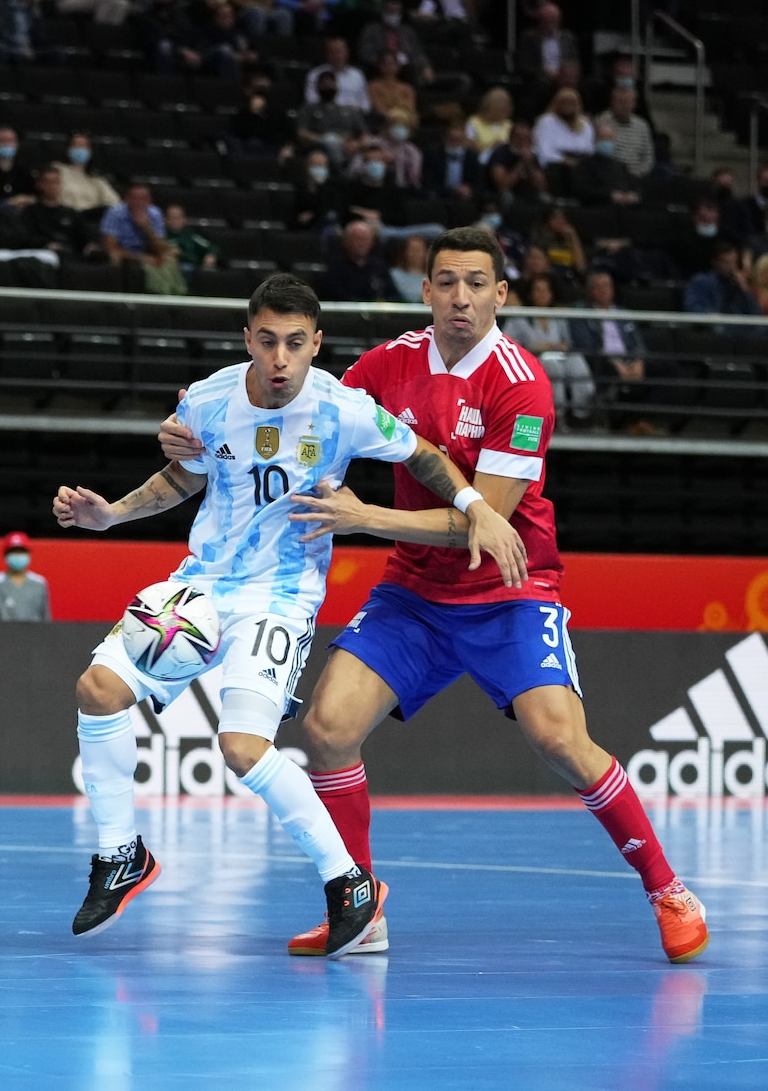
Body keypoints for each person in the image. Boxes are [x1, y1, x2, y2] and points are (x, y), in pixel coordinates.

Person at [157, 226, 710, 965]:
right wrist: (195, 423)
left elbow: (486, 524)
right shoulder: (389, 363)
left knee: (559, 739)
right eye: (446, 281)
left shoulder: (522, 383)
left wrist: (365, 517)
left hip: (510, 589)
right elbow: (300, 411)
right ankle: (359, 903)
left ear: (501, 294)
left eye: (477, 283)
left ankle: (667, 887)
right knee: (325, 729)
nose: (460, 296)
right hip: (414, 593)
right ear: (424, 291)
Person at [55, 271, 523, 949]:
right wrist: (113, 513)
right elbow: (185, 475)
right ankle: (121, 854)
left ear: (316, 344)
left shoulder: (345, 407)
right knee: (96, 688)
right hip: (204, 582)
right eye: (268, 341)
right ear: (247, 338)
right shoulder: (209, 399)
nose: (280, 358)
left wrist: (475, 506)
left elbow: (422, 455)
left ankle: (349, 884)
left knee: (244, 747)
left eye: (295, 344)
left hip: (281, 593)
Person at [571, 270, 662, 434]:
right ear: (590, 291)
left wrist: (638, 361)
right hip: (600, 360)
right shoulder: (581, 312)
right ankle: (618, 422)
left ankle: (635, 420)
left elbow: (638, 343)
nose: (604, 290)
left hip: (629, 360)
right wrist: (615, 363)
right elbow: (585, 344)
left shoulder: (623, 313)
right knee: (608, 369)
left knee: (668, 370)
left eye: (607, 285)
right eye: (599, 287)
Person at [503, 274, 592, 427]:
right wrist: (537, 348)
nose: (542, 294)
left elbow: (567, 341)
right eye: (538, 290)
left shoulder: (558, 316)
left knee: (577, 361)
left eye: (546, 290)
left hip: (558, 355)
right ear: (531, 294)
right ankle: (558, 417)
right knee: (553, 366)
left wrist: (563, 346)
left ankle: (581, 415)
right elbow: (505, 344)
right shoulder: (520, 317)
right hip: (532, 359)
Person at [100, 182, 184, 294]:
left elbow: (161, 248)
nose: (139, 203)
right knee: (114, 256)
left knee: (169, 257)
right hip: (124, 252)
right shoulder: (115, 213)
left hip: (147, 252)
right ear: (127, 199)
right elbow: (110, 246)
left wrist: (147, 228)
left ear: (150, 200)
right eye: (135, 198)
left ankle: (174, 294)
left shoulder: (155, 213)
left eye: (143, 199)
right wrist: (140, 258)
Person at [24, 167, 99, 260]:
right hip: (45, 256)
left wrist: (90, 245)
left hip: (71, 253)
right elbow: (26, 238)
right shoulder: (30, 212)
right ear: (39, 184)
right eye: (47, 182)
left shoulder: (70, 212)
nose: (52, 186)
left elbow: (84, 235)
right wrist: (46, 245)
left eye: (55, 182)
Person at [298, 70, 369, 165]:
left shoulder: (349, 110)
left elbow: (365, 136)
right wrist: (325, 139)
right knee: (331, 139)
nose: (328, 86)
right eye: (324, 84)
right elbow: (302, 132)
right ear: (317, 86)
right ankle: (339, 168)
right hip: (320, 146)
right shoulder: (309, 108)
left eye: (331, 83)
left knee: (375, 152)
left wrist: (356, 144)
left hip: (350, 147)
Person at [0, 532, 50, 621]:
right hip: (2, 633)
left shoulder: (40, 584)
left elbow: (46, 619)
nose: (18, 556)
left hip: (33, 634)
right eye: (14, 552)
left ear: (28, 554)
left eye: (21, 552)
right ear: (5, 555)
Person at [356, 0, 431, 85]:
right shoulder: (371, 30)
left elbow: (418, 52)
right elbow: (364, 53)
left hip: (405, 65)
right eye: (390, 11)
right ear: (383, 11)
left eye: (396, 12)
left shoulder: (408, 31)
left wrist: (426, 66)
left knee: (412, 70)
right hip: (379, 65)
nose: (393, 14)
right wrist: (385, 62)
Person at [321, 219, 397, 302]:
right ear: (346, 241)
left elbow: (392, 294)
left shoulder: (379, 266)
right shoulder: (335, 267)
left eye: (365, 239)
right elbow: (336, 295)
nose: (361, 243)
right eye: (357, 239)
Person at [683, 241, 758, 319]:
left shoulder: (737, 285)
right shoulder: (701, 282)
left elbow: (755, 313)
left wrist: (745, 289)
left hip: (735, 327)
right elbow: (693, 307)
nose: (731, 266)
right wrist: (712, 316)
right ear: (715, 262)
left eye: (734, 262)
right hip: (710, 326)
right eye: (727, 262)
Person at [573, 123, 641, 207]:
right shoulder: (585, 164)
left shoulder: (621, 166)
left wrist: (632, 195)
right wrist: (609, 195)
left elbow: (634, 187)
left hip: (622, 210)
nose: (607, 141)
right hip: (597, 208)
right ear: (595, 140)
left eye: (610, 138)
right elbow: (582, 190)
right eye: (603, 138)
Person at [136, 0, 202, 75]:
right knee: (165, 46)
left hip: (186, 51)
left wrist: (196, 52)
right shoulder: (144, 17)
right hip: (156, 53)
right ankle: (166, 84)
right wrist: (180, 50)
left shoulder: (183, 16)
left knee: (221, 50)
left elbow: (192, 35)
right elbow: (150, 40)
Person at [226, 75, 293, 159]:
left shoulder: (278, 113)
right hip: (248, 148)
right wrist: (254, 114)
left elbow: (288, 134)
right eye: (257, 89)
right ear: (247, 90)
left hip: (274, 148)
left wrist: (288, 147)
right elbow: (238, 134)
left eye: (264, 90)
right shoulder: (241, 113)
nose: (260, 94)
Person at [594, 85, 654, 180]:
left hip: (636, 177)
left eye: (628, 102)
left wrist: (637, 174)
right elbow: (597, 151)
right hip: (609, 176)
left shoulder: (642, 125)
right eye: (621, 102)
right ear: (612, 102)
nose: (625, 106)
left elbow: (648, 156)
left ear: (634, 104)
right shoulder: (602, 120)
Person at [52, 133, 121, 214]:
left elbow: (115, 203)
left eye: (84, 146)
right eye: (76, 145)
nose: (80, 149)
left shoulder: (97, 179)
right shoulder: (56, 169)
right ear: (68, 149)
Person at [486, 122, 546, 209]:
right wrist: (521, 162)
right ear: (511, 138)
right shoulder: (501, 153)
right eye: (519, 138)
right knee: (507, 198)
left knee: (544, 198)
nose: (523, 142)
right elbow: (503, 185)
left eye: (527, 139)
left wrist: (529, 164)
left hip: (527, 194)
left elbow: (541, 185)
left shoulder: (533, 156)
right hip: (504, 194)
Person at [0, 0, 58, 64]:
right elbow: (3, 33)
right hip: (10, 46)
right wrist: (19, 47)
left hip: (31, 48)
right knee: (6, 52)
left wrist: (36, 6)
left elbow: (42, 35)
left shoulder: (30, 8)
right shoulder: (0, 6)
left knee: (57, 53)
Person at [516, 2, 578, 84]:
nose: (550, 24)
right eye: (547, 20)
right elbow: (525, 66)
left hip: (564, 80)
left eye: (553, 19)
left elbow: (575, 62)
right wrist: (545, 72)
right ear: (540, 21)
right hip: (540, 80)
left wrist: (565, 73)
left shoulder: (568, 37)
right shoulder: (529, 38)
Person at [421, 121, 483, 200]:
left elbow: (478, 182)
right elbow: (428, 182)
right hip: (439, 197)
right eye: (452, 140)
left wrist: (469, 189)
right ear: (445, 137)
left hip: (464, 199)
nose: (455, 144)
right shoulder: (433, 154)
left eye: (459, 140)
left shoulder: (471, 156)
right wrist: (451, 191)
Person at [532, 88, 592, 169]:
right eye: (564, 103)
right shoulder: (547, 122)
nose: (568, 106)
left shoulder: (585, 123)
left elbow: (589, 149)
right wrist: (563, 160)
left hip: (580, 161)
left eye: (571, 103)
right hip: (556, 163)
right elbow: (543, 151)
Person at [304, 38, 371, 112]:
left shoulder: (357, 75)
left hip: (352, 117)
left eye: (339, 51)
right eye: (332, 52)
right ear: (326, 54)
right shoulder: (315, 74)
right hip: (326, 115)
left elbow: (365, 103)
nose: (336, 56)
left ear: (347, 53)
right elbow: (311, 100)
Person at [197, 1, 258, 79]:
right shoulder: (207, 32)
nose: (226, 20)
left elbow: (248, 47)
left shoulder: (237, 34)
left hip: (240, 66)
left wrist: (252, 55)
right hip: (215, 65)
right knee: (225, 50)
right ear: (215, 18)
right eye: (223, 17)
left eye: (229, 17)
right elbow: (203, 54)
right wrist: (235, 56)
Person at [0, 125, 37, 205]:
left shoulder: (26, 170)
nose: (5, 144)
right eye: (1, 140)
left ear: (16, 143)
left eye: (9, 140)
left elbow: (34, 195)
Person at [291, 149, 344, 231]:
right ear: (308, 167)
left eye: (323, 165)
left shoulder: (333, 186)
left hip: (326, 222)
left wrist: (321, 187)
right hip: (306, 224)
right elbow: (299, 208)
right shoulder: (301, 186)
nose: (320, 169)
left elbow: (331, 206)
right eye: (316, 165)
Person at [163, 203, 219, 274]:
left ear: (184, 219)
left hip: (191, 268)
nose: (175, 221)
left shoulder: (191, 235)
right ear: (165, 220)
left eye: (178, 218)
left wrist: (210, 255)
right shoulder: (161, 236)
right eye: (171, 218)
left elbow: (211, 247)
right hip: (169, 268)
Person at [365, 51, 416, 121]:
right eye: (386, 64)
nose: (389, 67)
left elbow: (410, 108)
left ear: (398, 66)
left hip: (406, 122)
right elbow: (380, 109)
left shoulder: (407, 88)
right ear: (380, 66)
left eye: (392, 64)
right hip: (385, 123)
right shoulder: (372, 87)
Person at [465, 87, 514, 156]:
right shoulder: (474, 122)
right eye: (500, 109)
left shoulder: (509, 124)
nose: (505, 110)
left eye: (507, 107)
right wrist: (491, 148)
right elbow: (469, 146)